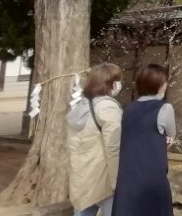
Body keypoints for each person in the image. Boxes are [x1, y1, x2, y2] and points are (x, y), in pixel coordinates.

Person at [113, 64, 176, 216]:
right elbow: (171, 136)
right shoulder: (165, 108)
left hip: (127, 178)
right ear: (159, 85)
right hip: (152, 178)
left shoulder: (128, 109)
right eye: (165, 82)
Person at [66, 63, 123, 216]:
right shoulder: (107, 108)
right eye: (117, 80)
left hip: (82, 178)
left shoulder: (80, 106)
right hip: (103, 180)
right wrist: (117, 182)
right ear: (110, 84)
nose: (120, 84)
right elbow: (113, 149)